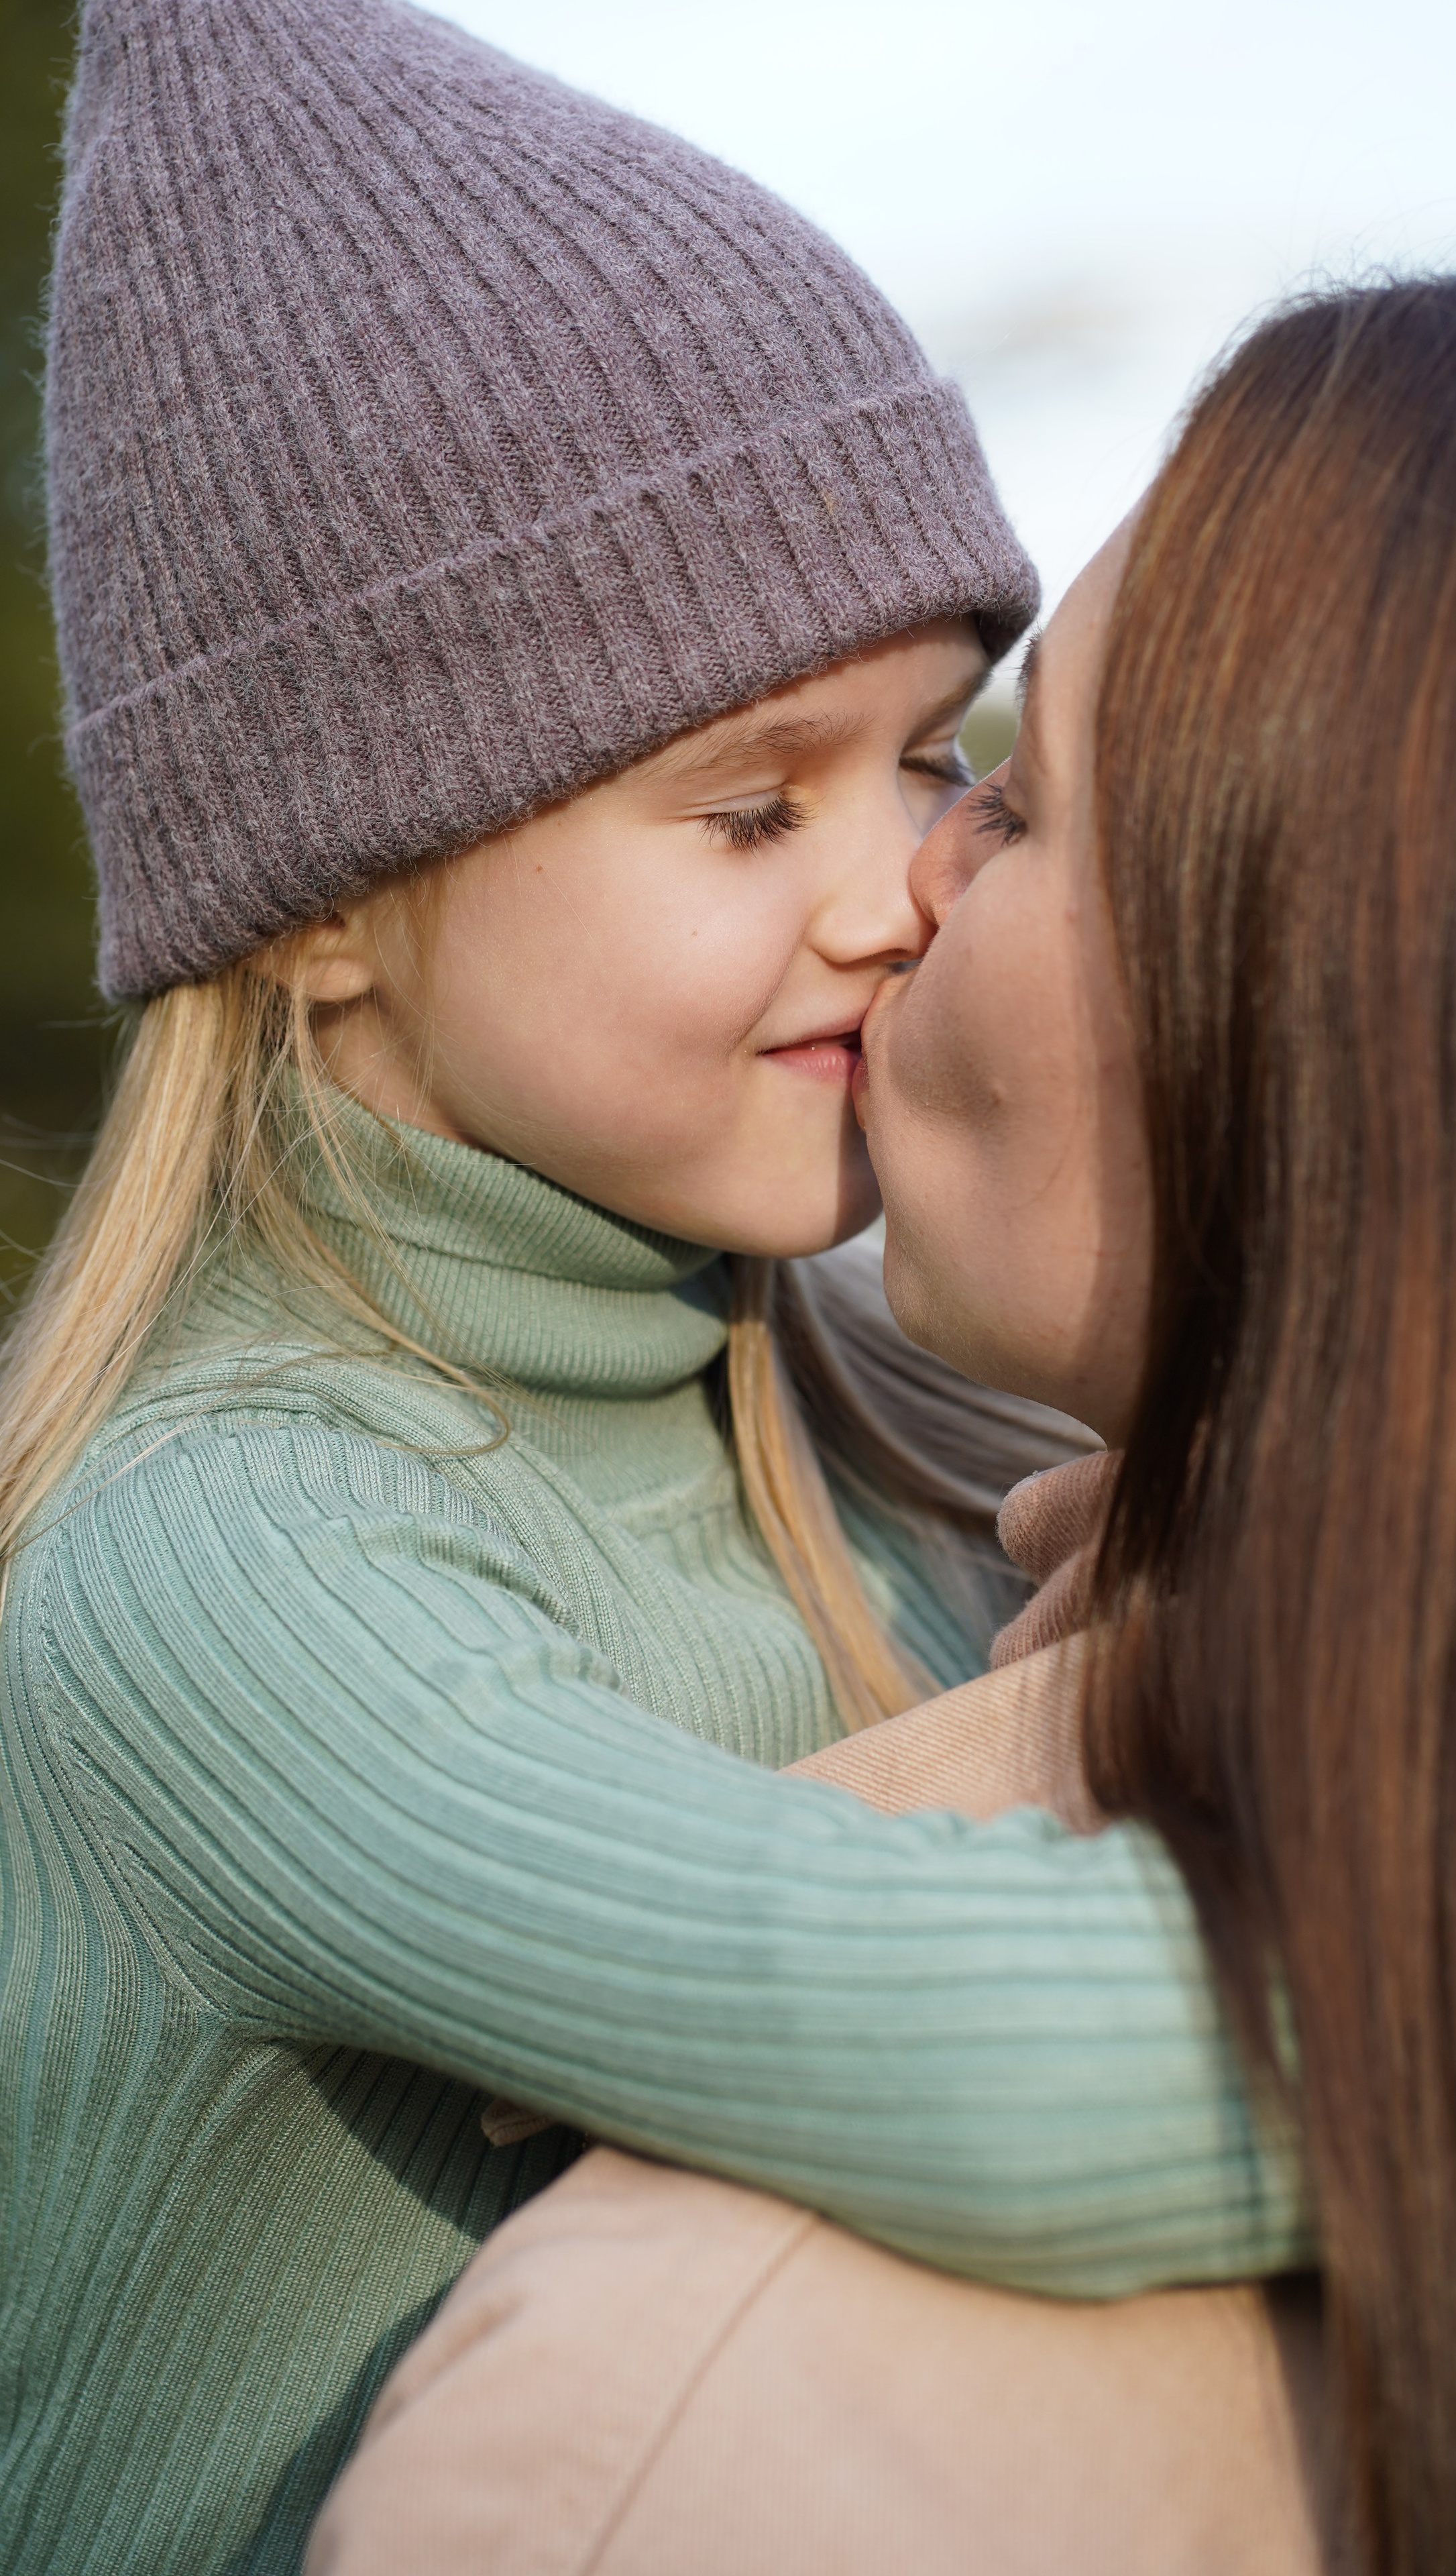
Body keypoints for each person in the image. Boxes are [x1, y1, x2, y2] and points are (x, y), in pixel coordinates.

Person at [1, 2, 1311, 2567]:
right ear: (321, 920)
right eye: (744, 805)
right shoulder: (235, 1559)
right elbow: (997, 2072)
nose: (893, 888)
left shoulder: (824, 1389)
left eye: (938, 757)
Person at [317, 272, 1456, 2575]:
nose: (910, 885)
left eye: (1019, 794)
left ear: (1364, 1034)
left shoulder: (687, 2425)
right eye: (760, 807)